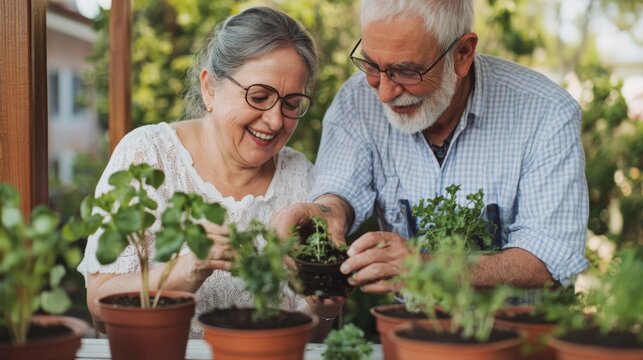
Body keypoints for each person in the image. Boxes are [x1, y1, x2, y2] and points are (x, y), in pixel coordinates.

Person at [271, 0, 589, 297]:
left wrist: (427, 265)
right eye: (370, 65)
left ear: (463, 53)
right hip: (407, 334)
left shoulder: (546, 112)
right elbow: (340, 189)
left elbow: (547, 256)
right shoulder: (356, 102)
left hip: (513, 342)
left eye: (407, 71)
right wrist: (326, 214)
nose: (383, 92)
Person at [77, 6, 337, 339]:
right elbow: (99, 301)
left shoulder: (303, 179)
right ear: (209, 88)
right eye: (259, 97)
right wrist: (185, 270)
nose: (275, 121)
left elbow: (313, 335)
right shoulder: (147, 156)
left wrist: (325, 304)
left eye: (290, 104)